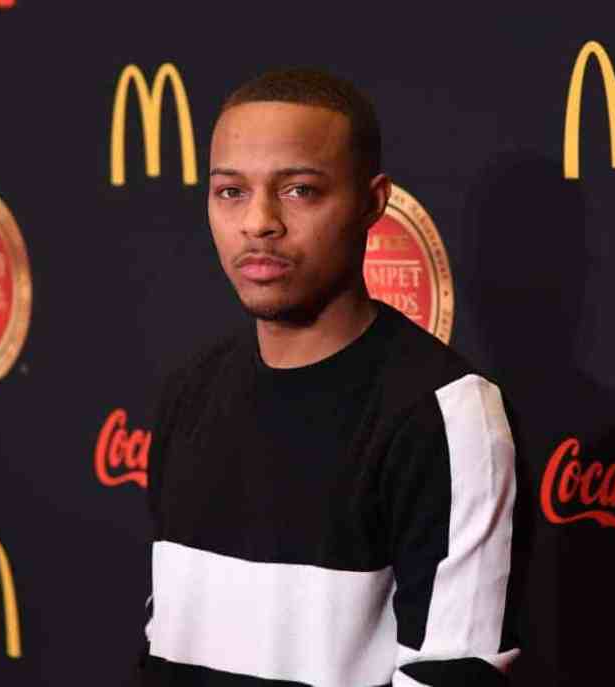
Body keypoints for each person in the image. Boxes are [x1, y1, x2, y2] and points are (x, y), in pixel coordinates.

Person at [138, 68, 518, 687]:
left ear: (373, 203)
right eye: (231, 191)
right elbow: (164, 651)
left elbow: (452, 674)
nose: (259, 222)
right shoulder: (189, 395)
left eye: (299, 191)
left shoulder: (444, 412)